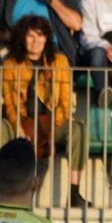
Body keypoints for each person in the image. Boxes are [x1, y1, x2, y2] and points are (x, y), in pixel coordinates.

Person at [1, 16, 90, 208]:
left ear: (47, 38)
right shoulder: (10, 64)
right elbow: (10, 103)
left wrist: (49, 128)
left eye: (40, 36)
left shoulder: (59, 61)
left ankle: (74, 192)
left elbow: (65, 102)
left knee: (78, 129)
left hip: (51, 122)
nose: (35, 41)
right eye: (31, 36)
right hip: (22, 122)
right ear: (22, 38)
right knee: (1, 128)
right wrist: (19, 126)